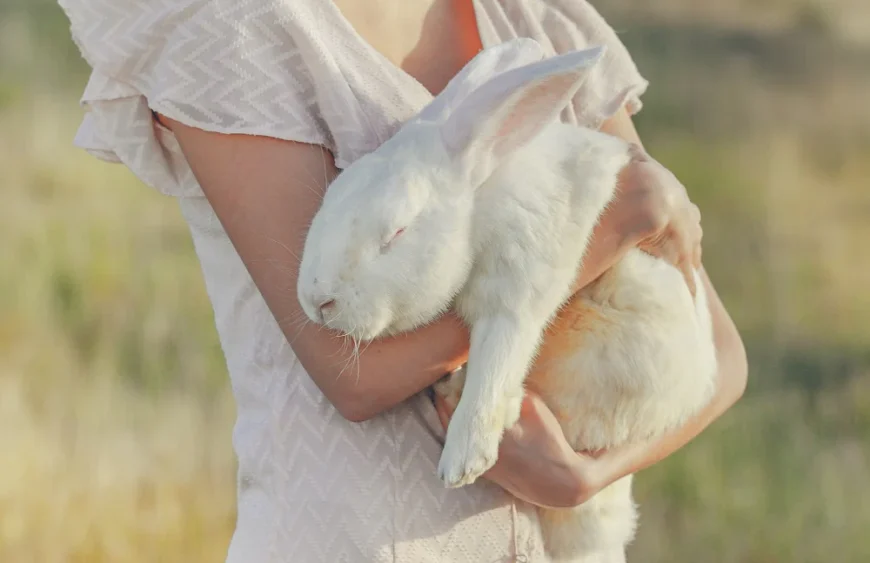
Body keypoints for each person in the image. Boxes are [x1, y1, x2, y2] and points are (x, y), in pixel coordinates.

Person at [59, 0, 748, 561]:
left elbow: (720, 354)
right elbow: (350, 369)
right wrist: (605, 231)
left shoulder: (535, 23)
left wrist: (582, 479)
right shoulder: (241, 32)